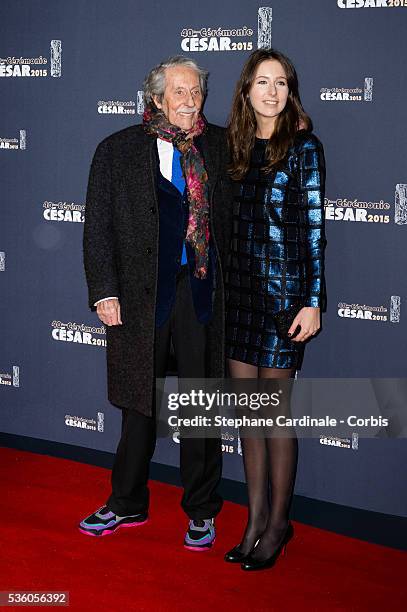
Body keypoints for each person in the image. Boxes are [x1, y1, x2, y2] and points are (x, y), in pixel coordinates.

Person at [80, 55, 232, 551]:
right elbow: (97, 228)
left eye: (197, 93)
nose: (191, 102)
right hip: (140, 298)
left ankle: (202, 510)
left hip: (201, 292)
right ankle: (125, 502)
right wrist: (104, 290)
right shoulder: (117, 150)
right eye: (181, 93)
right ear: (158, 99)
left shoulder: (223, 146)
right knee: (138, 405)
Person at [224, 49, 327, 570]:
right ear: (246, 91)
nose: (272, 91)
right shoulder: (234, 146)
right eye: (262, 82)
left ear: (290, 90)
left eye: (281, 82)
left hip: (285, 299)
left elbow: (313, 231)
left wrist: (312, 301)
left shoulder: (304, 147)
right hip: (239, 299)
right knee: (250, 418)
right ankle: (254, 519)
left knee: (275, 416)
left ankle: (279, 523)